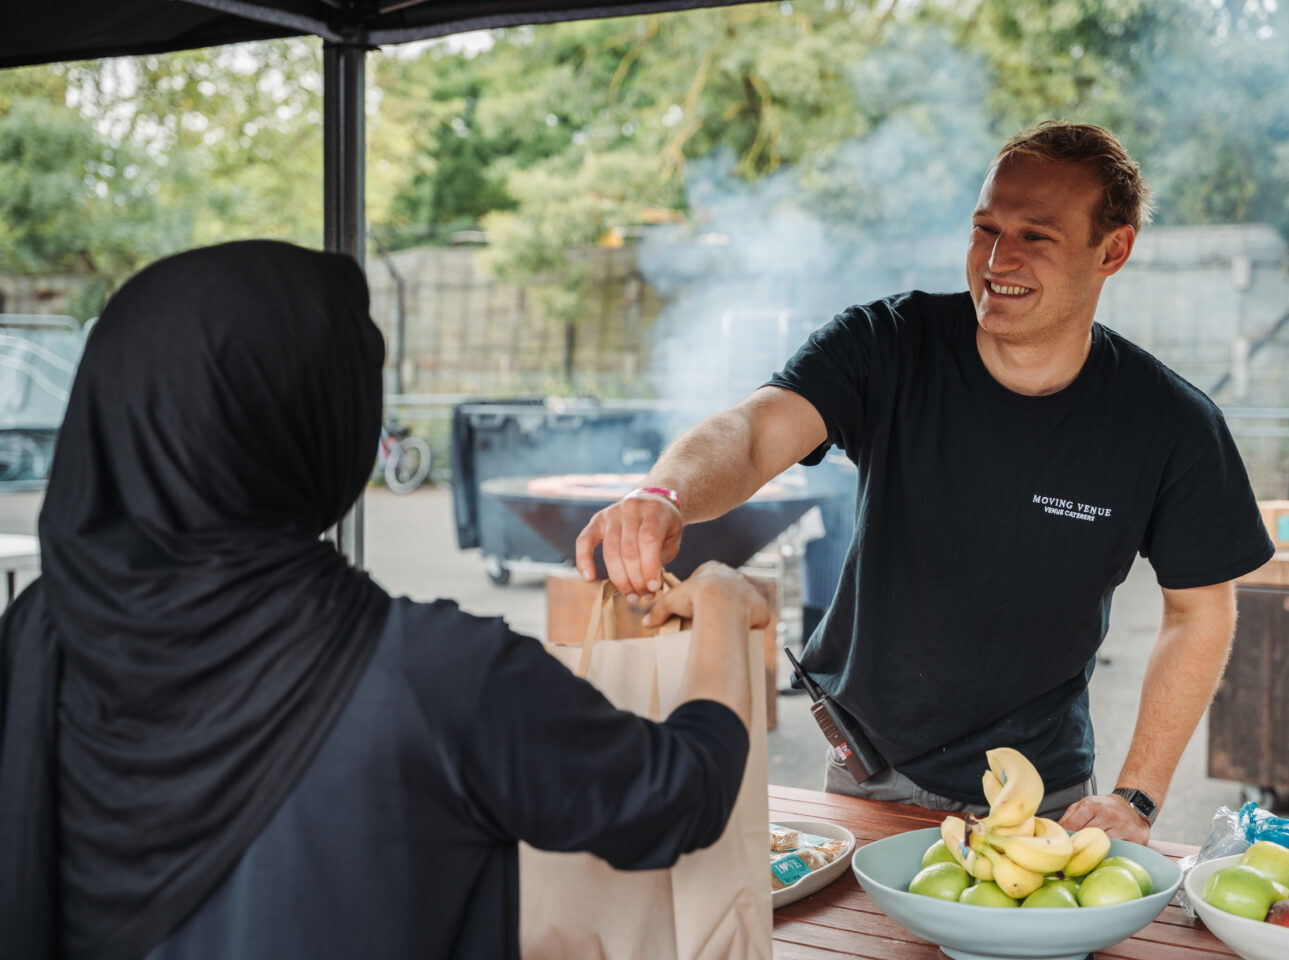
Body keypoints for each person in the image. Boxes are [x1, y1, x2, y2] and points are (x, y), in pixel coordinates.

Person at [0, 240, 763, 960]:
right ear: (322, 426)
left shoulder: (35, 635)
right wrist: (724, 601)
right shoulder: (429, 677)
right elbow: (679, 796)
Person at [576, 121, 1275, 844]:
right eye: (985, 228)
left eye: (1036, 236)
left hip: (1044, 796)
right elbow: (753, 433)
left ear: (1113, 250)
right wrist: (665, 492)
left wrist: (1137, 795)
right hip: (867, 774)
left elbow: (1199, 613)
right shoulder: (886, 344)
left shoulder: (1170, 423)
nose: (998, 258)